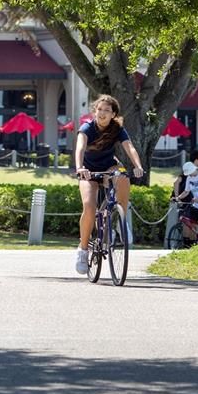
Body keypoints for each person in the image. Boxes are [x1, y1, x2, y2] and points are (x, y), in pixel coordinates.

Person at [74, 95, 145, 275]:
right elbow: (80, 147)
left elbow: (130, 148)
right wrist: (80, 167)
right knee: (89, 207)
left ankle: (121, 219)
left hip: (108, 166)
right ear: (95, 111)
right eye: (99, 109)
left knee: (122, 176)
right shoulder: (87, 128)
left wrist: (138, 166)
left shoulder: (117, 129)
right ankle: (83, 250)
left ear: (113, 114)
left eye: (107, 110)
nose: (102, 113)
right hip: (88, 171)